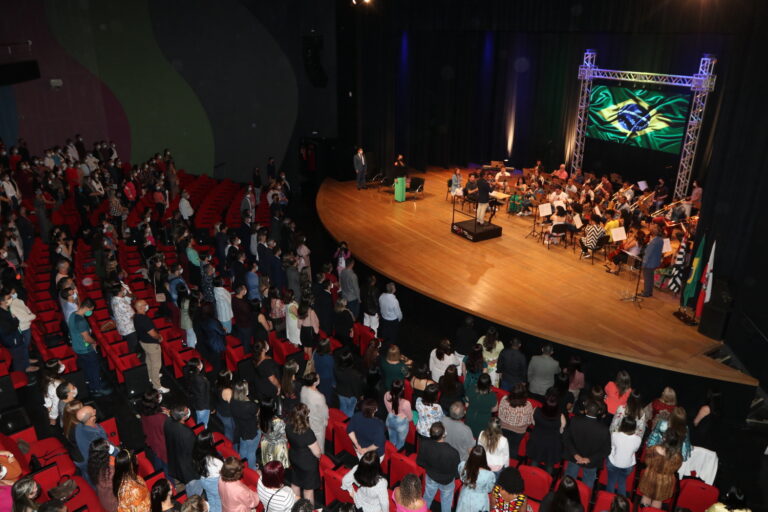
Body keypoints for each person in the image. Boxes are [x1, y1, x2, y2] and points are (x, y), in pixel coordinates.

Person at [67, 298, 112, 396]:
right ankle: (97, 388)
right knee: (94, 367)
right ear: (87, 308)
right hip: (85, 349)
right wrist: (95, 342)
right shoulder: (81, 322)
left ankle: (91, 382)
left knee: (87, 367)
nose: (91, 312)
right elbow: (87, 338)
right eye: (91, 309)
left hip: (77, 346)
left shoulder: (72, 315)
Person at [563, 400, 611, 488]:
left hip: (574, 459)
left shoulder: (575, 420)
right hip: (591, 462)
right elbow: (606, 450)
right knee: (587, 487)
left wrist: (575, 454)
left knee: (567, 483)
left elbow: (566, 438)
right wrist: (589, 459)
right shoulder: (604, 429)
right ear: (599, 412)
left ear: (585, 410)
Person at [417, 422, 460, 512]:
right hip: (447, 481)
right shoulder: (453, 452)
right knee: (446, 502)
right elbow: (456, 473)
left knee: (427, 497)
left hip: (431, 476)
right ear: (444, 434)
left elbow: (420, 462)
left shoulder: (424, 444)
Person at [637, 432, 684, 509]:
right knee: (658, 501)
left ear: (664, 439)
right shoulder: (678, 457)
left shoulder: (653, 449)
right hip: (664, 482)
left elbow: (647, 462)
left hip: (650, 477)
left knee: (646, 496)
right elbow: (675, 469)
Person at [286, 404, 321, 505]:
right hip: (307, 464)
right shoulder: (307, 433)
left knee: (295, 483)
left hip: (294, 457)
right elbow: (317, 453)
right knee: (308, 490)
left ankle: (295, 506)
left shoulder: (288, 426)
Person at [527, 389, 566, 475]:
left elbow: (533, 423)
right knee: (549, 465)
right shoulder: (561, 417)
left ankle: (530, 477)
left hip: (537, 440)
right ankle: (547, 482)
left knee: (535, 460)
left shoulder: (536, 410)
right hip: (552, 444)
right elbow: (561, 431)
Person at [164, 405, 202, 495]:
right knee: (194, 492)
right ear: (183, 417)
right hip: (188, 469)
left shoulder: (168, 422)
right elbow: (194, 452)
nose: (188, 412)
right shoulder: (187, 433)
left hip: (174, 459)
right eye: (186, 412)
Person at [134, 299, 168, 393]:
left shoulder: (136, 316)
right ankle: (157, 386)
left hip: (144, 342)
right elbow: (152, 333)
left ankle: (151, 376)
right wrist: (159, 337)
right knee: (156, 365)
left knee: (149, 361)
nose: (147, 306)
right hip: (152, 344)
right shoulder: (144, 319)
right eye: (145, 304)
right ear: (140, 307)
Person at [606, 417, 642, 497]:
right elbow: (635, 450)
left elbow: (612, 446)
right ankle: (621, 506)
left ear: (622, 425)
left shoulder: (615, 435)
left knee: (611, 482)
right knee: (622, 483)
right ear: (634, 427)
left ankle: (608, 501)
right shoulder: (638, 439)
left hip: (613, 463)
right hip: (628, 465)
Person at [498, 383, 534, 461]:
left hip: (503, 428)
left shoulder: (504, 399)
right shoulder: (528, 405)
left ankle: (500, 461)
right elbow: (529, 422)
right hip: (519, 432)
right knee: (514, 448)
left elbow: (499, 414)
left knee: (503, 445)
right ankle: (511, 464)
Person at [230, 380, 261, 469]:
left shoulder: (233, 401)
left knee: (243, 447)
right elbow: (257, 413)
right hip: (251, 431)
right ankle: (252, 469)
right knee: (251, 452)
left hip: (241, 429)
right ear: (245, 391)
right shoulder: (250, 406)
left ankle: (242, 465)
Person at [456, 445, 497, 512]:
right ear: (484, 458)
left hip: (465, 496)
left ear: (471, 456)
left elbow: (462, 478)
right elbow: (489, 489)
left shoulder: (463, 465)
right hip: (480, 500)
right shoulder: (489, 475)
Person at [140, 390, 170, 477]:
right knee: (167, 468)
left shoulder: (144, 413)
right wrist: (168, 415)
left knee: (158, 464)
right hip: (163, 445)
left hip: (152, 442)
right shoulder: (161, 417)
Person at [191, 430, 223, 512]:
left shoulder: (197, 454)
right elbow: (224, 473)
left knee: (211, 499)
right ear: (209, 443)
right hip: (214, 483)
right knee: (219, 502)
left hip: (204, 480)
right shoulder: (215, 460)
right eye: (212, 438)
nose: (214, 439)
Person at [300, 372, 329, 455]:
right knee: (319, 444)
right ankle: (320, 459)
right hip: (317, 423)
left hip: (306, 419)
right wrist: (325, 422)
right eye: (318, 377)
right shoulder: (319, 396)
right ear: (315, 382)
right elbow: (324, 413)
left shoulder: (303, 389)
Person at [88, 438, 118, 512]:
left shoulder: (93, 465)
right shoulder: (110, 471)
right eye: (108, 445)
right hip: (113, 504)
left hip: (103, 499)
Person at [259, 398, 290, 468]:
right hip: (278, 446)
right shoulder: (278, 421)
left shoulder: (260, 418)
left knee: (269, 466)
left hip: (267, 443)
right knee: (279, 467)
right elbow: (285, 435)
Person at [465, 373, 498, 438]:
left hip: (470, 417)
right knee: (480, 438)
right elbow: (495, 409)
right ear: (489, 384)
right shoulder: (492, 395)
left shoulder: (471, 388)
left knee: (469, 435)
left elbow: (466, 404)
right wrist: (486, 409)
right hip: (484, 421)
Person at [335, 350, 365, 418]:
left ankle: (341, 424)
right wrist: (359, 396)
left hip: (340, 392)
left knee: (342, 409)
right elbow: (356, 387)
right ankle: (346, 425)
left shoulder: (336, 369)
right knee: (350, 412)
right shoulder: (355, 374)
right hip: (351, 395)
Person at [384, 380, 412, 450]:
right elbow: (410, 418)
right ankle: (396, 454)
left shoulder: (386, 395)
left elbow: (388, 409)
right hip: (401, 425)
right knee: (400, 443)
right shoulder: (406, 403)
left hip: (390, 420)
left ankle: (391, 452)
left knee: (392, 440)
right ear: (402, 389)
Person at [110, 285, 137, 353]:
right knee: (133, 345)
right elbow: (132, 315)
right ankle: (134, 358)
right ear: (119, 292)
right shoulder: (121, 302)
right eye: (122, 289)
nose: (124, 290)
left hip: (122, 326)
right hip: (129, 328)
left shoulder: (114, 299)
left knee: (129, 343)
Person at [640, 224, 664, 297]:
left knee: (647, 278)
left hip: (649, 262)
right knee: (650, 277)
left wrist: (644, 263)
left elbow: (649, 253)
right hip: (654, 262)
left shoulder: (654, 241)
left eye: (652, 229)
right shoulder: (660, 240)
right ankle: (649, 291)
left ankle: (646, 293)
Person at [378, 282, 403, 348]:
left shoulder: (381, 296)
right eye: (394, 287)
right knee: (392, 336)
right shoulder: (394, 301)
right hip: (393, 321)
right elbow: (398, 313)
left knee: (384, 333)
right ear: (393, 290)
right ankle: (390, 349)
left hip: (384, 318)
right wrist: (400, 319)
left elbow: (380, 306)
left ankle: (382, 346)